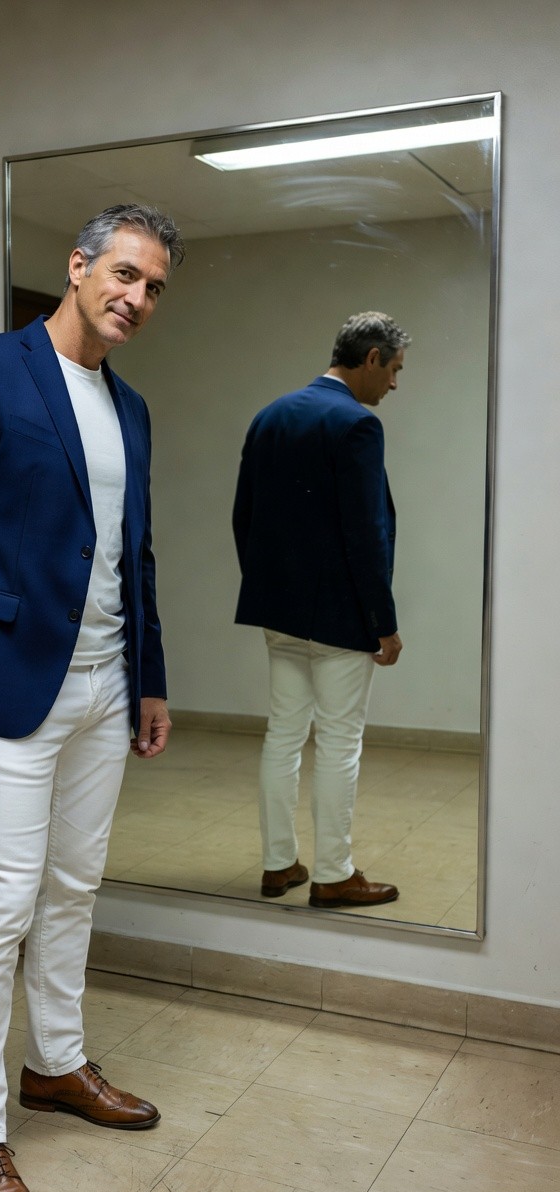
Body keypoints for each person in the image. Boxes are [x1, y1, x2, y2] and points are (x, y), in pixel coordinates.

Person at [0, 204, 184, 1192]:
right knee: (1, 905)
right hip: (11, 685)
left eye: (153, 287)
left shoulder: (133, 409)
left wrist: (149, 678)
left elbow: (132, 556)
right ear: (77, 267)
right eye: (122, 274)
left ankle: (56, 1065)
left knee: (75, 883)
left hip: (107, 688)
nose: (135, 298)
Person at [232, 311, 410, 910]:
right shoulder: (357, 424)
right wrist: (382, 622)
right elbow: (368, 533)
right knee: (339, 741)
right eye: (394, 371)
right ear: (372, 358)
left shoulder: (270, 415)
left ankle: (279, 865)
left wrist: (269, 588)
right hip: (339, 616)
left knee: (282, 736)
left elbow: (244, 518)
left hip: (278, 612)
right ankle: (335, 873)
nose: (393, 385)